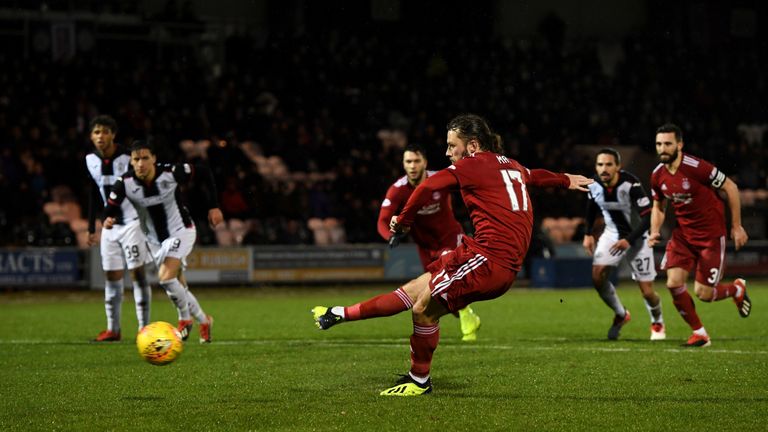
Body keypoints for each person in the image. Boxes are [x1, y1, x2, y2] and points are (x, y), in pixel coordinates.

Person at [313, 113, 592, 396]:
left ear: (471, 146)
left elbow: (427, 186)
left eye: (451, 145)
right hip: (485, 257)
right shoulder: (512, 165)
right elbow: (536, 176)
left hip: (488, 261)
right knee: (413, 291)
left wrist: (406, 219)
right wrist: (564, 179)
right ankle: (339, 314)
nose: (447, 153)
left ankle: (419, 380)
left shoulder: (471, 165)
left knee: (422, 310)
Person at [104, 140, 223, 343]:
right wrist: (108, 218)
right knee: (179, 286)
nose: (141, 163)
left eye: (145, 158)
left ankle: (184, 319)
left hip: (181, 231)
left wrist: (213, 206)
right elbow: (110, 207)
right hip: (154, 241)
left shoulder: (170, 173)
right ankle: (204, 321)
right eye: (136, 159)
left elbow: (203, 171)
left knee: (166, 278)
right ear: (131, 162)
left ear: (154, 159)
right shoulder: (124, 183)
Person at [648, 123, 751, 348]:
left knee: (704, 293)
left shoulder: (696, 167)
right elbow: (658, 206)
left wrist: (736, 226)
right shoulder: (657, 176)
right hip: (683, 236)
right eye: (658, 144)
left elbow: (730, 187)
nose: (662, 149)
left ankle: (736, 289)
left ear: (679, 145)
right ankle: (700, 333)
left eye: (667, 144)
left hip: (710, 237)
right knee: (673, 283)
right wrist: (655, 230)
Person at [377, 143, 481, 342]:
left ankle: (461, 317)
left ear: (424, 162)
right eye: (408, 161)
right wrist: (390, 236)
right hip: (425, 246)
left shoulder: (440, 178)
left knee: (444, 281)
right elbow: (382, 221)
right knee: (439, 289)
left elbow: (468, 184)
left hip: (449, 239)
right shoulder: (398, 190)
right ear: (403, 164)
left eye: (417, 161)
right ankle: (467, 316)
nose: (413, 165)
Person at [582, 148, 665, 341]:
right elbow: (591, 207)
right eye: (600, 164)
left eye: (609, 164)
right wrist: (588, 234)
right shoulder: (593, 184)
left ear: (618, 166)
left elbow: (647, 218)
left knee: (647, 291)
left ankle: (657, 320)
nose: (604, 169)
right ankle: (621, 314)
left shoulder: (630, 184)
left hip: (638, 238)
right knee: (597, 276)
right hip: (611, 235)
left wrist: (629, 240)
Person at [85, 115, 152, 342]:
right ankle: (113, 329)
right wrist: (91, 226)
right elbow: (95, 192)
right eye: (96, 132)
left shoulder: (129, 157)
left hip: (132, 222)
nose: (100, 136)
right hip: (108, 226)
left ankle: (144, 329)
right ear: (91, 137)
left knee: (137, 275)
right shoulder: (90, 160)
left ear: (113, 134)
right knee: (112, 277)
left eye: (105, 131)